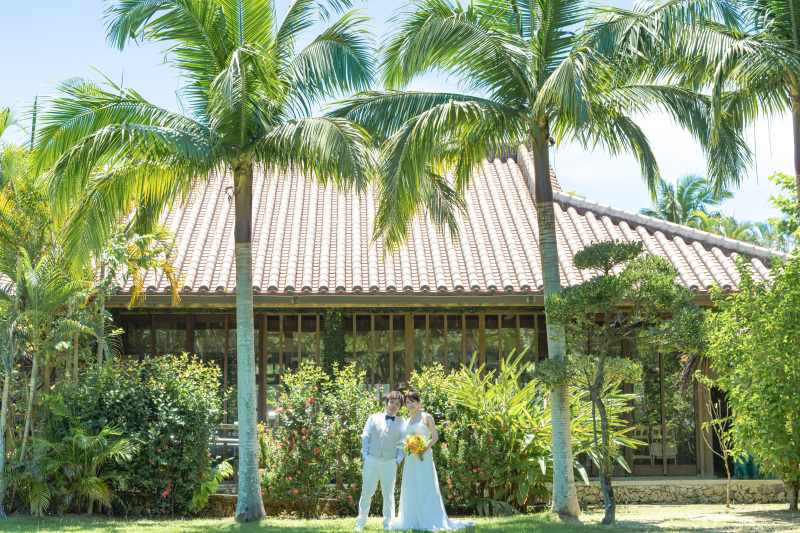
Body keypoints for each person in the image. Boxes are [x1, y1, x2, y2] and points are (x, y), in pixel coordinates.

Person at [393, 391, 475, 531]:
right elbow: (406, 444)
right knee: (411, 489)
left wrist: (423, 449)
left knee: (425, 487)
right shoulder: (407, 421)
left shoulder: (427, 417)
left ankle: (428, 519)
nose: (410, 405)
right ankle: (413, 520)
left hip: (424, 458)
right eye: (408, 402)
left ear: (418, 402)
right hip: (411, 460)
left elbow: (435, 437)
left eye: (413, 401)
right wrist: (404, 463)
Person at [356, 390, 405, 532]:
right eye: (391, 402)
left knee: (388, 494)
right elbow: (365, 436)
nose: (394, 406)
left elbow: (402, 443)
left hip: (390, 462)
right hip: (371, 459)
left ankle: (387, 523)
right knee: (366, 492)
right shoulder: (373, 417)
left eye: (397, 404)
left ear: (400, 407)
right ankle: (361, 522)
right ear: (386, 403)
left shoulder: (402, 423)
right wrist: (365, 455)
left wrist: (398, 460)